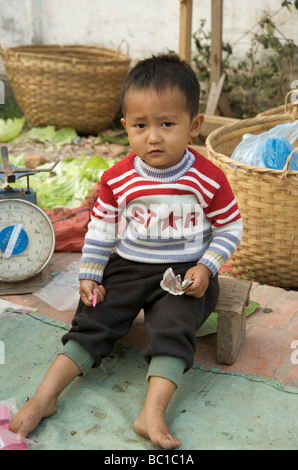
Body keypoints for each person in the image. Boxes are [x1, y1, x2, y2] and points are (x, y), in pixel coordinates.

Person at [9, 54, 243, 449]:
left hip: (185, 273)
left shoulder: (207, 177)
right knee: (94, 320)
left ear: (194, 125)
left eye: (167, 124)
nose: (153, 137)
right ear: (125, 128)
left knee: (175, 327)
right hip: (128, 266)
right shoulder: (119, 177)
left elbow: (230, 226)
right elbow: (101, 228)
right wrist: (90, 272)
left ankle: (151, 414)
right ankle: (44, 396)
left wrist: (207, 266)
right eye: (140, 126)